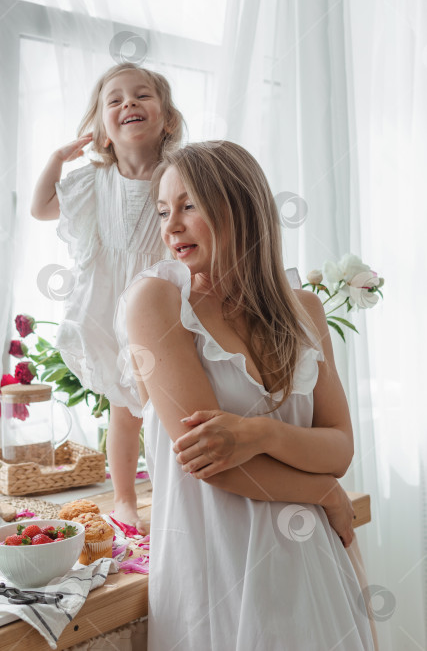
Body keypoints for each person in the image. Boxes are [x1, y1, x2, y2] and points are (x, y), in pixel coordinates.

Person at [115, 141, 375, 650]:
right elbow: (214, 463)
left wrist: (258, 433)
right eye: (164, 211)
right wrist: (324, 493)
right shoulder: (157, 299)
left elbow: (340, 448)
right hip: (218, 569)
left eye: (188, 206)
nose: (170, 228)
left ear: (241, 206)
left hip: (311, 564)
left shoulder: (304, 310)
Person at [31, 63, 184, 534]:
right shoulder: (93, 181)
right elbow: (40, 208)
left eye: (142, 96)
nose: (128, 105)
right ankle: (123, 500)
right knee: (125, 411)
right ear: (101, 128)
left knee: (169, 407)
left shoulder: (178, 174)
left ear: (167, 120)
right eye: (114, 101)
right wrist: (58, 159)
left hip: (162, 305)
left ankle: (173, 496)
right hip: (110, 305)